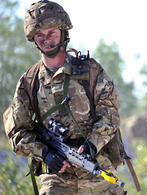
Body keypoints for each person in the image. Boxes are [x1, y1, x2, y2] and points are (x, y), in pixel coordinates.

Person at [3, 0, 126, 194]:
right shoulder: (29, 81)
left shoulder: (90, 71)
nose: (46, 39)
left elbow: (110, 114)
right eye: (40, 35)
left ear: (63, 31)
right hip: (56, 180)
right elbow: (17, 132)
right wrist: (45, 154)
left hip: (97, 173)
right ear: (33, 39)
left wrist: (92, 145)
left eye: (51, 32)